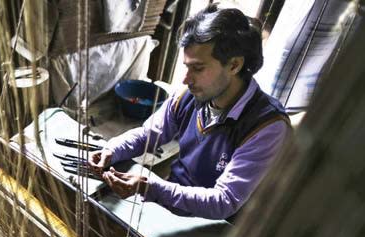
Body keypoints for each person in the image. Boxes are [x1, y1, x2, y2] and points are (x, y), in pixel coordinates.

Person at [89, 5, 291, 221]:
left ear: (234, 65)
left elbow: (225, 201)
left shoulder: (267, 127)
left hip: (217, 226)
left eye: (198, 68)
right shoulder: (189, 95)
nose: (186, 79)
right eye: (186, 67)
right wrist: (112, 150)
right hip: (172, 203)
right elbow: (148, 135)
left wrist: (151, 188)